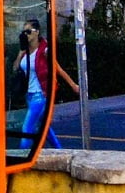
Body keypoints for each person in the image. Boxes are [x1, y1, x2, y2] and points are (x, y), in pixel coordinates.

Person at [14, 19, 78, 149]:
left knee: (27, 127)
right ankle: (60, 150)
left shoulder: (45, 50)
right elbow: (15, 68)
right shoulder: (25, 51)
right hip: (29, 95)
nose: (26, 35)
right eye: (24, 32)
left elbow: (57, 69)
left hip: (41, 94)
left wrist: (73, 85)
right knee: (44, 126)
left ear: (37, 32)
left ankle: (22, 156)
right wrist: (20, 54)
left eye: (28, 31)